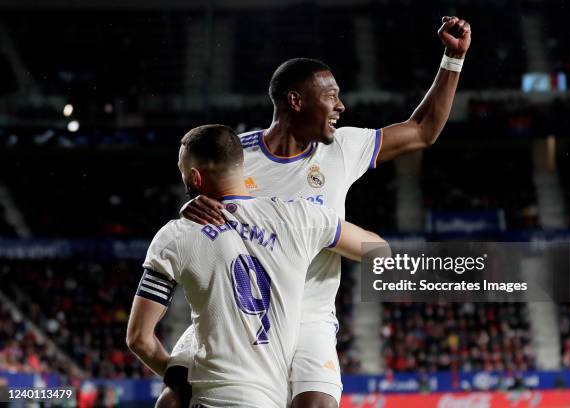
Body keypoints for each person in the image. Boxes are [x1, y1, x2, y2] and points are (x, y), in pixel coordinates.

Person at [170, 15, 472, 408]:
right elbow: (194, 192)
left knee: (318, 405)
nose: (341, 106)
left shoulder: (343, 148)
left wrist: (453, 58)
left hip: (308, 316)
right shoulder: (236, 157)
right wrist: (191, 205)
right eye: (331, 96)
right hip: (237, 313)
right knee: (172, 399)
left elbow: (422, 130)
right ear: (296, 101)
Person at [126, 125, 386, 407]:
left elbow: (139, 338)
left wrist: (179, 382)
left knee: (168, 402)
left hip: (207, 397)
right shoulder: (300, 218)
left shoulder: (174, 236)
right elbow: (379, 250)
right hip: (264, 396)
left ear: (195, 177)